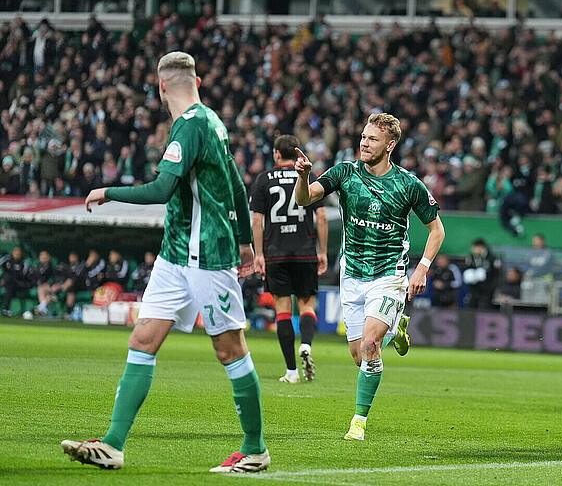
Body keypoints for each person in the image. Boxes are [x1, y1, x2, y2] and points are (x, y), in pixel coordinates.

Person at [63, 51, 268, 473]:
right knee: (142, 340)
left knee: (229, 349)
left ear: (160, 88)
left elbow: (160, 191)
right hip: (175, 255)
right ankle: (113, 444)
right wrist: (248, 242)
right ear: (198, 81)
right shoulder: (212, 120)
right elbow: (234, 180)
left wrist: (109, 191)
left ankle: (255, 449)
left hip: (207, 255)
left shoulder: (190, 127)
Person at [293, 112, 445, 442]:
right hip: (353, 274)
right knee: (359, 355)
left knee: (370, 342)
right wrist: (303, 177)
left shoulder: (408, 184)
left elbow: (437, 230)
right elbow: (304, 199)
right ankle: (396, 329)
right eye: (363, 136)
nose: (364, 142)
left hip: (389, 275)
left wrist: (422, 267)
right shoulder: (345, 173)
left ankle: (358, 422)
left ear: (390, 145)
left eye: (372, 139)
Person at [250, 134, 328, 384]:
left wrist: (259, 254)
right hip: (305, 251)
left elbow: (257, 221)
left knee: (283, 311)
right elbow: (323, 217)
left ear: (276, 154)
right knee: (307, 306)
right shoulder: (307, 176)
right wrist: (323, 251)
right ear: (296, 154)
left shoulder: (263, 179)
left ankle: (292, 372)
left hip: (275, 253)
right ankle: (305, 344)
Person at [464, 238, 502, 310]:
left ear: (481, 247)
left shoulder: (492, 258)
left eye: (475, 248)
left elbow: (496, 275)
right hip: (475, 288)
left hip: (488, 289)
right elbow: (467, 270)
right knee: (471, 305)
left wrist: (491, 288)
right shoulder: (471, 258)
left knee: (486, 307)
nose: (474, 250)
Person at [0, 246, 31, 316]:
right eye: (16, 252)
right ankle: (6, 310)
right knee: (8, 283)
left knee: (9, 283)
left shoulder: (23, 262)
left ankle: (6, 309)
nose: (17, 254)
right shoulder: (7, 259)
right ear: (13, 252)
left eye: (19, 253)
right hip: (6, 282)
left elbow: (24, 275)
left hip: (18, 283)